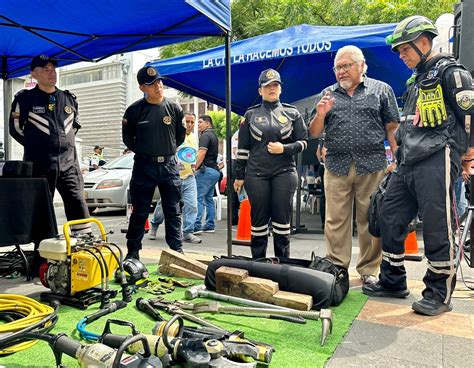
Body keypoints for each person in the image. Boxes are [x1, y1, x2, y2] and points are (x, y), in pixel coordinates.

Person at [363, 16, 474, 316]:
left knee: (438, 226)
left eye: (404, 50)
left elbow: (470, 114)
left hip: (438, 157)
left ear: (424, 42)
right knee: (388, 214)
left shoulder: (452, 72)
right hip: (408, 161)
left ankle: (439, 293)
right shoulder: (416, 79)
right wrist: (397, 159)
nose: (401, 56)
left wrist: (469, 153)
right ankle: (393, 280)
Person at [309, 45, 400, 285]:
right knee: (335, 219)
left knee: (370, 218)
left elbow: (392, 128)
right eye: (337, 67)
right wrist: (320, 114)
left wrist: (399, 159)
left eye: (346, 66)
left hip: (372, 164)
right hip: (336, 165)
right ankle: (337, 267)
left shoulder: (382, 90)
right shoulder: (327, 94)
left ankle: (368, 270)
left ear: (362, 66)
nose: (341, 71)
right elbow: (314, 133)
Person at [9, 55, 91, 235]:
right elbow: (15, 129)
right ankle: (42, 256)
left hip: (69, 164)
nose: (51, 73)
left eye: (52, 69)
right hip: (40, 164)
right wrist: (38, 146)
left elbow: (73, 128)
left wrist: (61, 145)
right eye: (45, 69)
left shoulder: (69, 98)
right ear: (34, 74)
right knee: (41, 208)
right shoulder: (24, 99)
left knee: (78, 203)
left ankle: (83, 248)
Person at [234, 68, 308, 259]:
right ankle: (258, 264)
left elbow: (303, 142)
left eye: (275, 85)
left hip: (284, 172)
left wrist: (284, 149)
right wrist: (239, 176)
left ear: (280, 89)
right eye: (267, 86)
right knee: (258, 223)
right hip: (256, 174)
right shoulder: (249, 115)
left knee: (282, 222)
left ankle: (282, 266)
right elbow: (242, 149)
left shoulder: (292, 113)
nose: (271, 89)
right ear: (260, 90)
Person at [122, 65, 186, 259]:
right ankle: (133, 253)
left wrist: (165, 150)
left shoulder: (174, 108)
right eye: (152, 83)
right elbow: (128, 139)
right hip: (144, 166)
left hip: (169, 166)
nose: (158, 86)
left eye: (159, 81)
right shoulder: (134, 111)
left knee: (173, 211)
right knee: (140, 212)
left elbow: (179, 137)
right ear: (142, 88)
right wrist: (146, 151)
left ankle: (177, 252)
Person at [149, 112, 201, 244]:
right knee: (164, 205)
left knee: (192, 205)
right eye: (187, 122)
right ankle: (154, 225)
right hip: (172, 177)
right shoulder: (172, 135)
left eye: (192, 122)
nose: (189, 125)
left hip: (189, 177)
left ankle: (188, 232)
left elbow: (193, 155)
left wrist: (194, 167)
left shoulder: (195, 138)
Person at [193, 115, 220, 234]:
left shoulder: (205, 135)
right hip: (214, 171)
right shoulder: (213, 135)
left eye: (200, 122)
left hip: (206, 170)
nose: (198, 124)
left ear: (207, 124)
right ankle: (209, 225)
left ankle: (196, 225)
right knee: (208, 198)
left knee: (198, 197)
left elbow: (202, 153)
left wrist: (194, 167)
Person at [230, 129, 241, 225]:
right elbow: (235, 151)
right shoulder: (238, 134)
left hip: (242, 162)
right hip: (237, 163)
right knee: (235, 190)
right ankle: (233, 218)